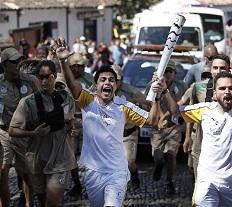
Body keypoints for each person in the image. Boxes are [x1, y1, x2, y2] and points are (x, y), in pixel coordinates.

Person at [52, 37, 165, 207]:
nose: (107, 83)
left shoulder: (123, 106)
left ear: (116, 85)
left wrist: (157, 97)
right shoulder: (87, 100)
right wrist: (63, 60)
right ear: (95, 85)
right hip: (93, 172)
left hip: (117, 172)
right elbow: (72, 83)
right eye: (103, 80)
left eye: (111, 80)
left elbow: (152, 120)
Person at [173, 70, 232, 206]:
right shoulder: (204, 110)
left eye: (231, 88)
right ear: (215, 94)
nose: (227, 91)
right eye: (222, 88)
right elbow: (175, 110)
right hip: (207, 181)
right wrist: (163, 91)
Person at [9, 60, 76, 206]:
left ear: (54, 76)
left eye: (48, 77)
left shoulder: (66, 99)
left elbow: (69, 120)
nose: (44, 81)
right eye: (41, 77)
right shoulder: (27, 103)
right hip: (37, 159)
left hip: (60, 159)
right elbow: (12, 130)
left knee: (53, 200)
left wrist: (71, 127)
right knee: (42, 199)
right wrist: (33, 133)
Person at [0, 48, 39, 207]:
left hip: (25, 134)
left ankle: (29, 203)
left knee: (27, 175)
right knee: (2, 174)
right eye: (13, 62)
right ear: (4, 64)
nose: (18, 64)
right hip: (4, 133)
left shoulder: (31, 81)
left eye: (19, 61)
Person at [147, 60, 187, 195]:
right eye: (165, 71)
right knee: (157, 155)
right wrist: (159, 119)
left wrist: (166, 117)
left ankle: (169, 180)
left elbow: (177, 108)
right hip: (157, 128)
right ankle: (159, 164)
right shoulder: (152, 86)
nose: (168, 74)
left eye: (171, 71)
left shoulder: (181, 86)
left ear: (175, 73)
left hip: (173, 126)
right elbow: (149, 105)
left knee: (171, 155)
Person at [112, 64, 149, 189]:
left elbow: (147, 104)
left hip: (128, 133)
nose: (115, 83)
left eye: (118, 80)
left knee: (129, 162)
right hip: (110, 134)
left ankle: (134, 174)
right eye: (112, 79)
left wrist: (140, 107)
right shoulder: (103, 91)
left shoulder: (131, 91)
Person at [66, 52, 95, 196]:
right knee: (70, 157)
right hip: (69, 122)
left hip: (88, 121)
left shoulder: (90, 79)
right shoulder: (63, 79)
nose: (78, 68)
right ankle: (76, 183)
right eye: (74, 66)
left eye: (81, 66)